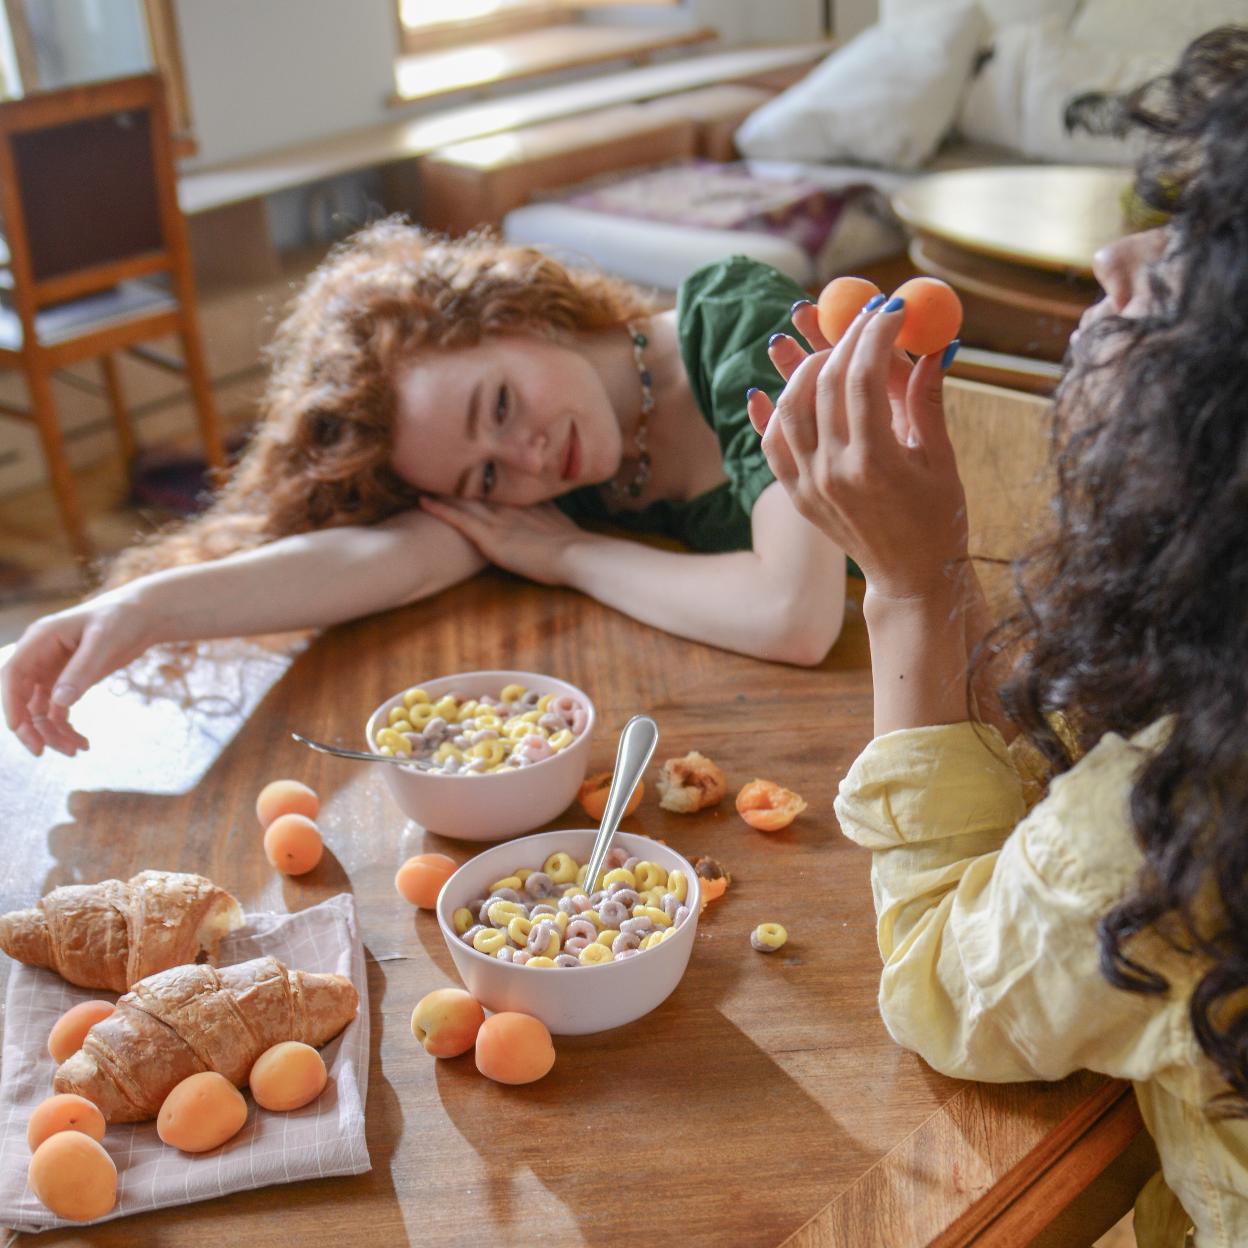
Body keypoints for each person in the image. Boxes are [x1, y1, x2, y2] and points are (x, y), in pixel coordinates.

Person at [749, 26, 1248, 1244]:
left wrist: (913, 586)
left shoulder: (1184, 814)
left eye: (1188, 257)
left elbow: (944, 992)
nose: (1112, 256)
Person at [2, 232, 846, 758]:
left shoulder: (742, 320)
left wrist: (572, 554)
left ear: (519, 314)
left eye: (501, 403)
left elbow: (794, 614)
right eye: (483, 476)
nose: (527, 460)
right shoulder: (552, 474)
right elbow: (383, 559)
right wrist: (144, 609)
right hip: (766, 733)